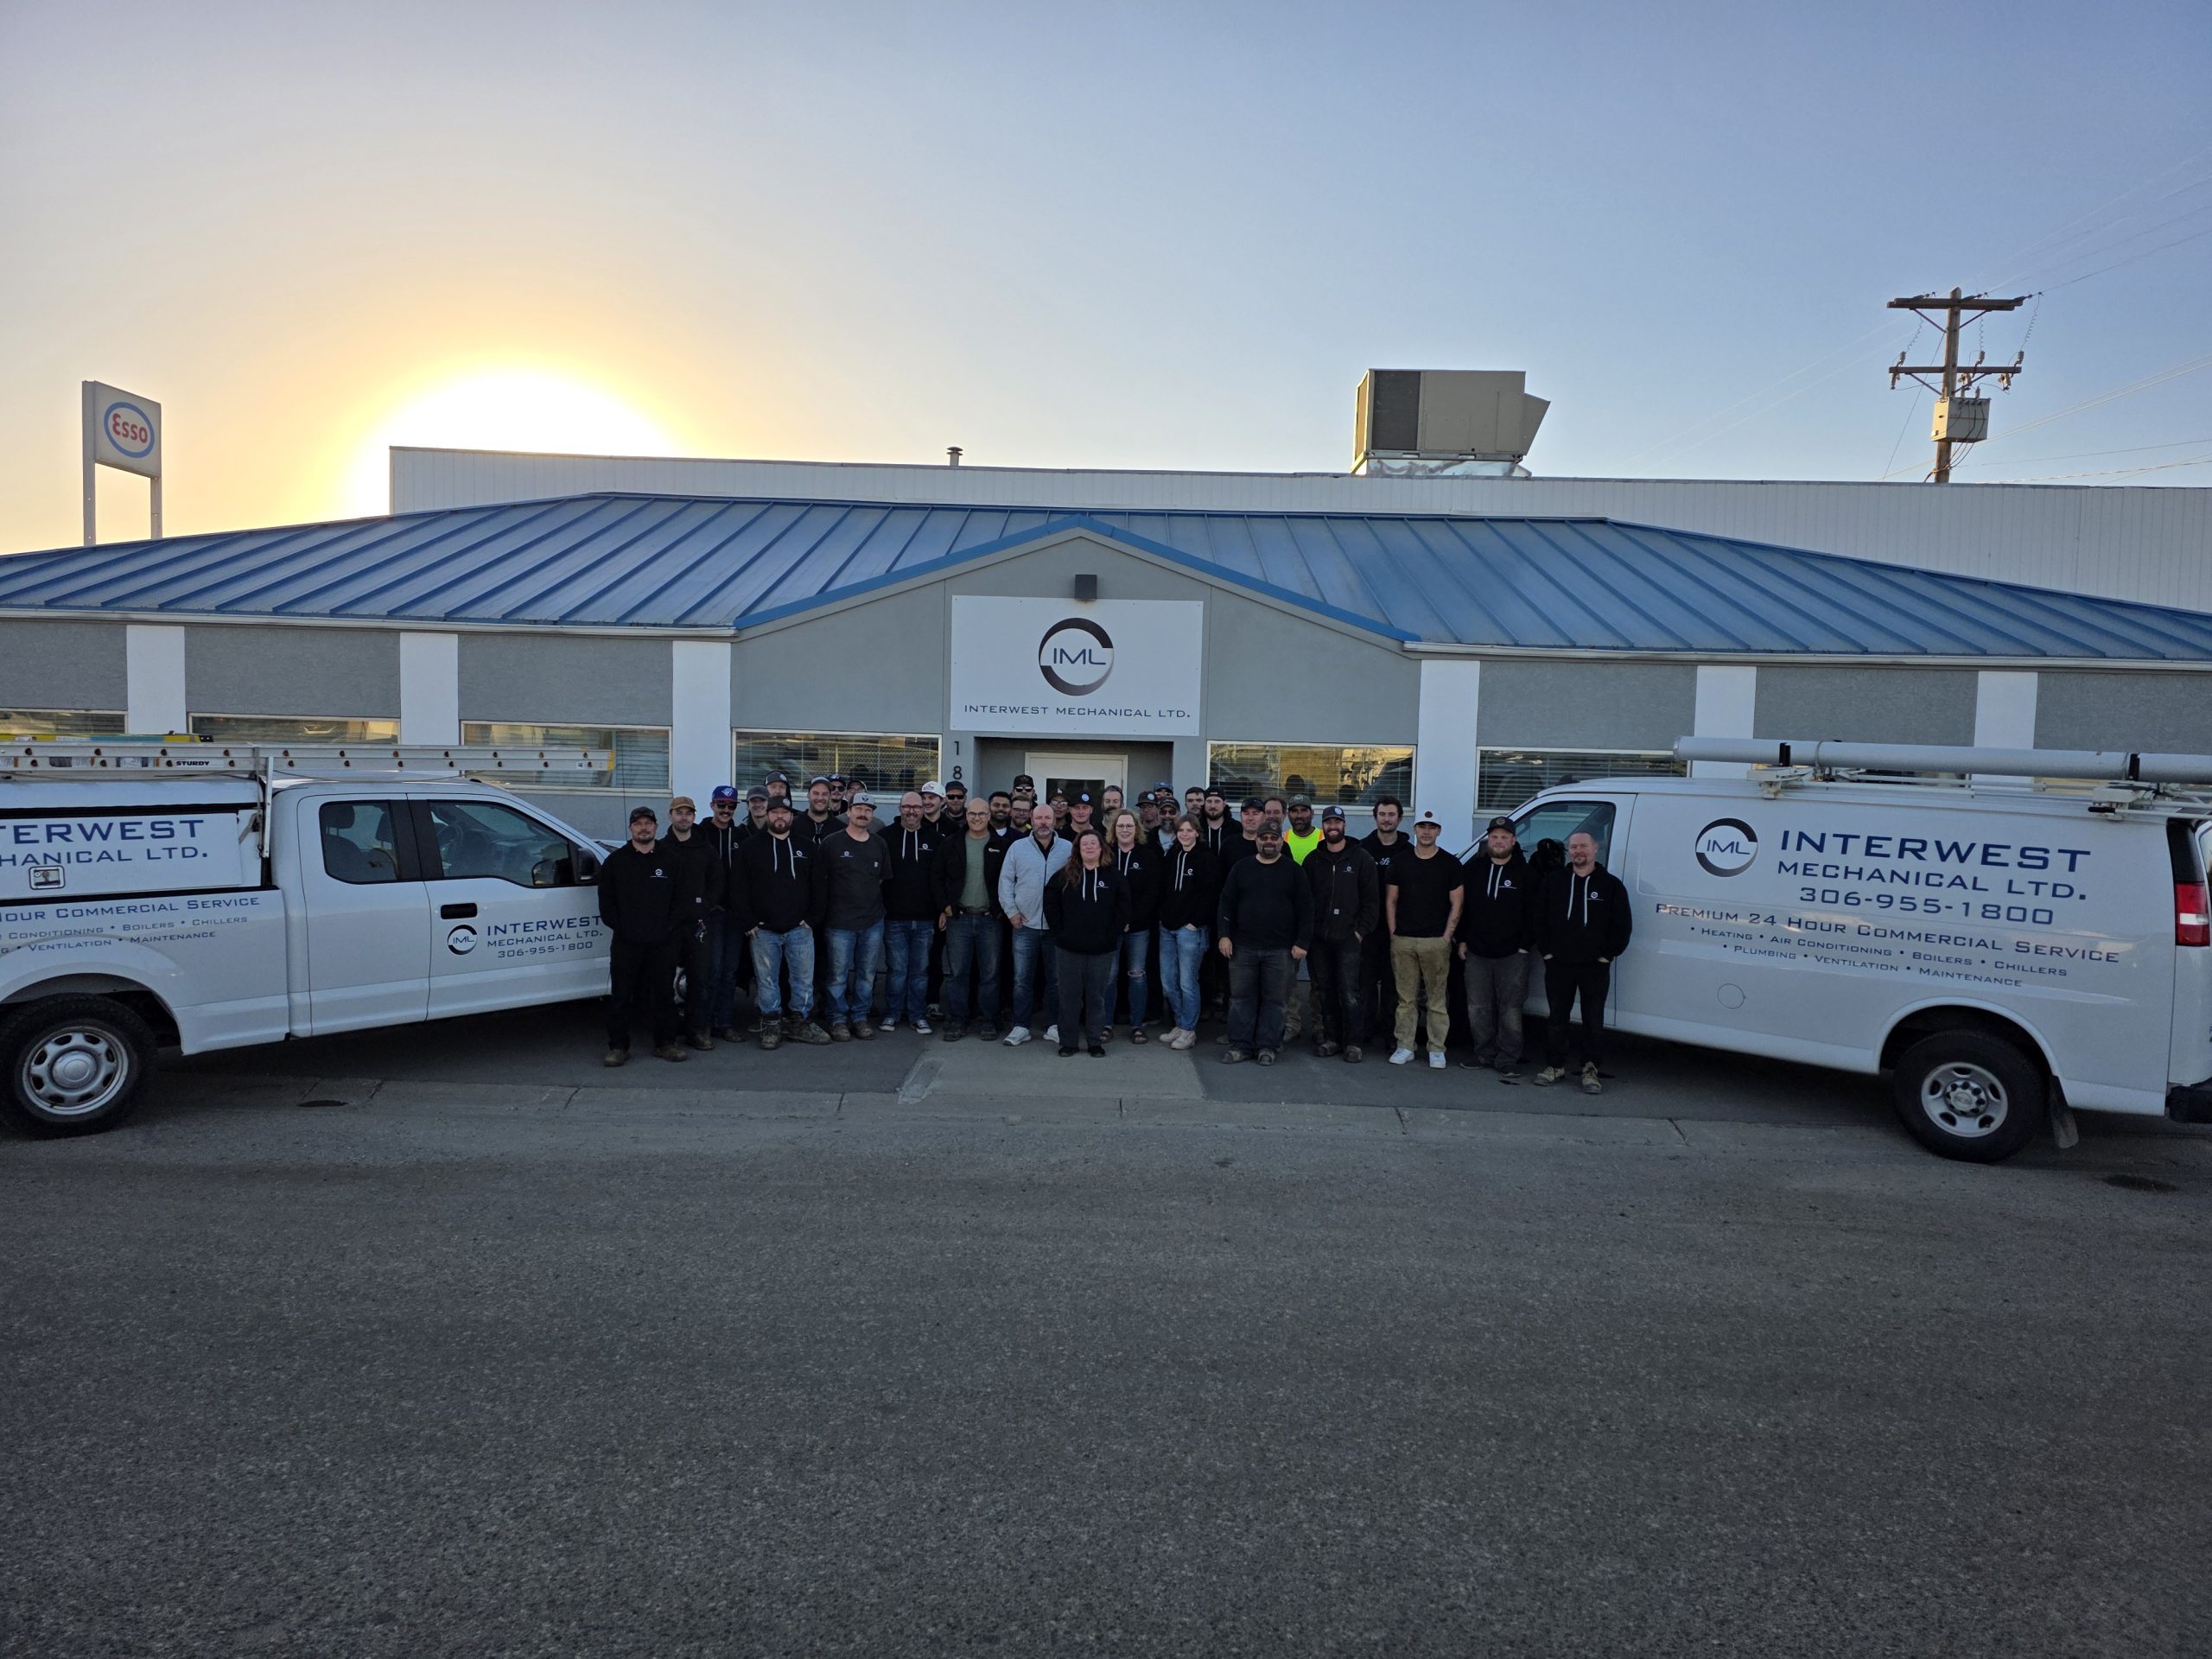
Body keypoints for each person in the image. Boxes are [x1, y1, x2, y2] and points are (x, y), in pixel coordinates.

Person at [597, 806, 698, 1065]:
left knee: (664, 995)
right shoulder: (615, 862)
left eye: (648, 823)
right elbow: (607, 906)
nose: (644, 828)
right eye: (638, 823)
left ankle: (666, 1044)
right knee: (621, 996)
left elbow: (682, 901)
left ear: (655, 826)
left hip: (663, 942)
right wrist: (625, 929)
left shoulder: (672, 860)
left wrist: (667, 928)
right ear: (630, 828)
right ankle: (618, 1047)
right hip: (626, 942)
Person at [1535, 829, 1631, 1094]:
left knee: (1593, 1020)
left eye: (1583, 846)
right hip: (1558, 965)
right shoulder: (1554, 882)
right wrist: (1548, 953)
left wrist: (1606, 956)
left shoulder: (1610, 885)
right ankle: (1555, 1066)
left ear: (1595, 849)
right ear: (1569, 851)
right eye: (1574, 847)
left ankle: (1590, 1069)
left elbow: (1621, 926)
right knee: (1557, 1018)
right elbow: (1539, 920)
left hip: (1594, 967)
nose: (1579, 851)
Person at [734, 797, 830, 1047]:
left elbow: (820, 886)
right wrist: (749, 922)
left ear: (792, 817)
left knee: (803, 979)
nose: (779, 817)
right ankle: (771, 1024)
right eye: (774, 812)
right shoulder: (750, 848)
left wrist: (812, 919)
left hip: (800, 928)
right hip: (763, 930)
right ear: (766, 815)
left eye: (784, 813)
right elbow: (739, 888)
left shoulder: (808, 848)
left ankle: (800, 1022)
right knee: (767, 980)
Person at [1215, 821, 1311, 1065]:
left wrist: (1302, 942)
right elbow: (1226, 903)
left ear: (1281, 841)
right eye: (1264, 837)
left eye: (1274, 838)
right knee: (1240, 999)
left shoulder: (1294, 871)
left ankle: (1268, 1046)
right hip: (1242, 948)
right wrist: (1224, 935)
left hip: (1280, 950)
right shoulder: (1241, 868)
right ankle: (1241, 1046)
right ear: (1257, 840)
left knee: (1275, 1001)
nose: (1269, 841)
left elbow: (1306, 909)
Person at [1458, 816, 1537, 1078]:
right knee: (1478, 1007)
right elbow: (1463, 909)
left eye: (1504, 837)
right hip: (1477, 953)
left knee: (1511, 1009)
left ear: (1514, 841)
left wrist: (1525, 945)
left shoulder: (1526, 874)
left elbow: (1534, 913)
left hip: (1513, 954)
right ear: (1488, 840)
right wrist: (1462, 939)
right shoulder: (1474, 871)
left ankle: (1508, 1058)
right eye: (1494, 837)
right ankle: (1484, 1054)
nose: (1499, 841)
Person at [1386, 809, 1464, 1070]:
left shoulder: (1451, 864)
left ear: (1439, 831)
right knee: (1405, 999)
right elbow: (1391, 900)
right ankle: (1405, 1046)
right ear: (1415, 829)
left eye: (1432, 827)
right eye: (1422, 826)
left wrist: (1446, 937)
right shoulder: (1400, 860)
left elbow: (1457, 904)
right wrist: (1394, 932)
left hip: (1435, 942)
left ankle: (1437, 1049)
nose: (1427, 832)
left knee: (1436, 999)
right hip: (1404, 940)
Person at [1045, 829, 1128, 1057]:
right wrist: (1060, 932)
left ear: (1101, 848)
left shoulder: (1113, 876)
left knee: (1096, 997)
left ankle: (1094, 1041)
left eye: (1094, 843)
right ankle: (1069, 1042)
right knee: (1069, 997)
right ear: (1078, 850)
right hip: (1068, 948)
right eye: (1085, 844)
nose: (1089, 847)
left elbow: (1123, 908)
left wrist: (1112, 935)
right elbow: (1050, 903)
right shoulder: (1065, 875)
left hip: (1102, 949)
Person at [1304, 806, 1378, 1061]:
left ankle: (1353, 1043)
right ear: (1323, 826)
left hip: (1349, 938)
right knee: (1325, 990)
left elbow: (1372, 901)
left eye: (1337, 822)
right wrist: (1310, 931)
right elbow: (1305, 900)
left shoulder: (1361, 859)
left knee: (1350, 992)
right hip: (1320, 938)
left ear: (1344, 825)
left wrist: (1360, 932)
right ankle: (1332, 1039)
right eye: (1328, 822)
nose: (1333, 826)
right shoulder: (1313, 859)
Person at [932, 796, 1007, 1041]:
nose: (977, 818)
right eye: (972, 814)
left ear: (989, 816)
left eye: (982, 814)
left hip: (990, 920)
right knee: (957, 974)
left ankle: (988, 1021)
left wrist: (1000, 910)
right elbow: (937, 877)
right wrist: (945, 907)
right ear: (966, 815)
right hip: (959, 919)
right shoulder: (952, 843)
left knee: (990, 974)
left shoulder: (1000, 844)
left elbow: (1009, 880)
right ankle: (957, 1020)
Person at [998, 800, 1071, 1046]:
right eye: (1039, 818)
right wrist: (1011, 912)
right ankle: (1021, 1026)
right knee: (1022, 980)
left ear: (1054, 820)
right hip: (1024, 926)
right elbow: (1006, 881)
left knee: (1056, 980)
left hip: (1056, 928)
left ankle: (1053, 1025)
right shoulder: (1018, 848)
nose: (1043, 823)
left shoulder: (1069, 848)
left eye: (1047, 818)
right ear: (1032, 818)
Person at [821, 792, 889, 1040]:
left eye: (868, 810)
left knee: (867, 974)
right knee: (838, 975)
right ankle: (838, 1019)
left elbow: (881, 879)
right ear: (848, 812)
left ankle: (860, 1017)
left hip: (872, 921)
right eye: (858, 808)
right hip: (839, 923)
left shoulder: (879, 844)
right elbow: (821, 880)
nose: (863, 814)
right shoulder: (832, 843)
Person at [658, 795, 724, 1051]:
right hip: (670, 926)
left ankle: (697, 1031)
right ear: (670, 816)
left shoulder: (706, 849)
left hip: (699, 926)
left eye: (688, 813)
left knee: (700, 979)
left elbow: (718, 882)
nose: (683, 817)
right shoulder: (661, 848)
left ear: (694, 816)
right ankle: (669, 1033)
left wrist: (705, 907)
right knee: (667, 981)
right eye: (679, 813)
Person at [1154, 815, 1219, 1050]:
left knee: (1187, 982)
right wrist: (1163, 917)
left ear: (1196, 833)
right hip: (1168, 928)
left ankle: (1189, 1030)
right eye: (1181, 830)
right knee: (1168, 982)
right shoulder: (1172, 855)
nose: (1184, 834)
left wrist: (1194, 922)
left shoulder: (1206, 858)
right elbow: (1162, 888)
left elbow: (1211, 895)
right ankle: (1180, 1023)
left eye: (1189, 830)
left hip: (1190, 930)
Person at [880, 790, 942, 1033]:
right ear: (900, 809)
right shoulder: (885, 837)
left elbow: (939, 878)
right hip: (894, 918)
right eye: (908, 807)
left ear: (923, 809)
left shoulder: (935, 839)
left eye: (917, 807)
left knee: (919, 972)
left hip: (926, 920)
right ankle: (893, 1013)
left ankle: (917, 1014)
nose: (912, 811)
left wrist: (942, 910)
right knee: (896, 970)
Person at [702, 785, 755, 1041]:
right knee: (711, 970)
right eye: (721, 805)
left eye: (731, 806)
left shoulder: (742, 835)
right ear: (712, 805)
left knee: (730, 971)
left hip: (735, 915)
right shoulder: (700, 834)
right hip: (710, 915)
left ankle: (724, 1023)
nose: (725, 810)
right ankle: (704, 1024)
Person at [1105, 810, 1160, 1041]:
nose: (1125, 830)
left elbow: (1152, 893)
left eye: (1129, 826)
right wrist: (1118, 921)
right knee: (1109, 976)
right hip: (1109, 927)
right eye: (1120, 826)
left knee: (1137, 974)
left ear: (1136, 829)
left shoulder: (1147, 856)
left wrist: (1131, 921)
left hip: (1139, 928)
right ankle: (1105, 1024)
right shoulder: (1106, 855)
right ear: (1113, 830)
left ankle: (1137, 1025)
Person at [1360, 796, 1408, 1043]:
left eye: (1391, 815)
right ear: (1375, 817)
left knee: (1393, 986)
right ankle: (1366, 1032)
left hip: (1399, 931)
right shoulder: (1362, 849)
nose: (1387, 819)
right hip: (1368, 930)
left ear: (1399, 818)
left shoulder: (1409, 852)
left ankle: (1391, 1034)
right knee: (1366, 984)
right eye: (1382, 814)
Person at [1281, 798, 1322, 865]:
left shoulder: (1325, 838)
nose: (1299, 816)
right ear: (1288, 815)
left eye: (1303, 811)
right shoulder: (1281, 839)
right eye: (1294, 811)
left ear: (1312, 813)